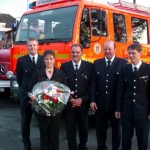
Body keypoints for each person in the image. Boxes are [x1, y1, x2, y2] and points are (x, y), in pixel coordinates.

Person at [90, 40, 127, 150]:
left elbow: (123, 87)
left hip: (115, 105)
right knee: (100, 130)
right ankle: (101, 147)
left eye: (109, 49)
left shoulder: (123, 63)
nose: (107, 51)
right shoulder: (97, 63)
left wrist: (120, 107)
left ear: (114, 49)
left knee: (116, 130)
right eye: (105, 49)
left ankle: (115, 148)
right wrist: (92, 100)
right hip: (100, 104)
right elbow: (93, 83)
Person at [29, 50, 67, 150]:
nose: (49, 61)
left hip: (56, 110)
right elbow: (31, 89)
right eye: (46, 58)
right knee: (43, 132)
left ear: (54, 60)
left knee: (55, 132)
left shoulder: (60, 74)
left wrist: (58, 101)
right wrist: (34, 97)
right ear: (43, 60)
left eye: (51, 58)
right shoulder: (37, 73)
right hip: (41, 110)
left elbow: (65, 91)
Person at [115, 43, 150, 150]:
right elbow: (120, 90)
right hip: (127, 111)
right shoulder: (125, 69)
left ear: (140, 53)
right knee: (125, 140)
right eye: (129, 53)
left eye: (133, 53)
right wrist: (118, 109)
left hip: (143, 112)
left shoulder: (148, 68)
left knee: (142, 140)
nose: (130, 55)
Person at [60, 44, 93, 150]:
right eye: (73, 52)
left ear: (81, 53)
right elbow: (62, 86)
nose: (75, 54)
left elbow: (91, 86)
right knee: (70, 128)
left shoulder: (89, 66)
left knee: (84, 128)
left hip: (83, 104)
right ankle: (72, 147)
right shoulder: (64, 66)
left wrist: (82, 99)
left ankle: (83, 146)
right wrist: (70, 99)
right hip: (70, 105)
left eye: (77, 52)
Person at [16, 37, 44, 150]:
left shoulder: (43, 60)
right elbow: (19, 78)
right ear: (27, 47)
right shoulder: (21, 61)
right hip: (26, 96)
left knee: (42, 123)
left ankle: (44, 144)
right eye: (30, 45)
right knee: (25, 123)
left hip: (40, 97)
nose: (32, 47)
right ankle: (26, 145)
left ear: (37, 46)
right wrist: (26, 91)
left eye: (34, 45)